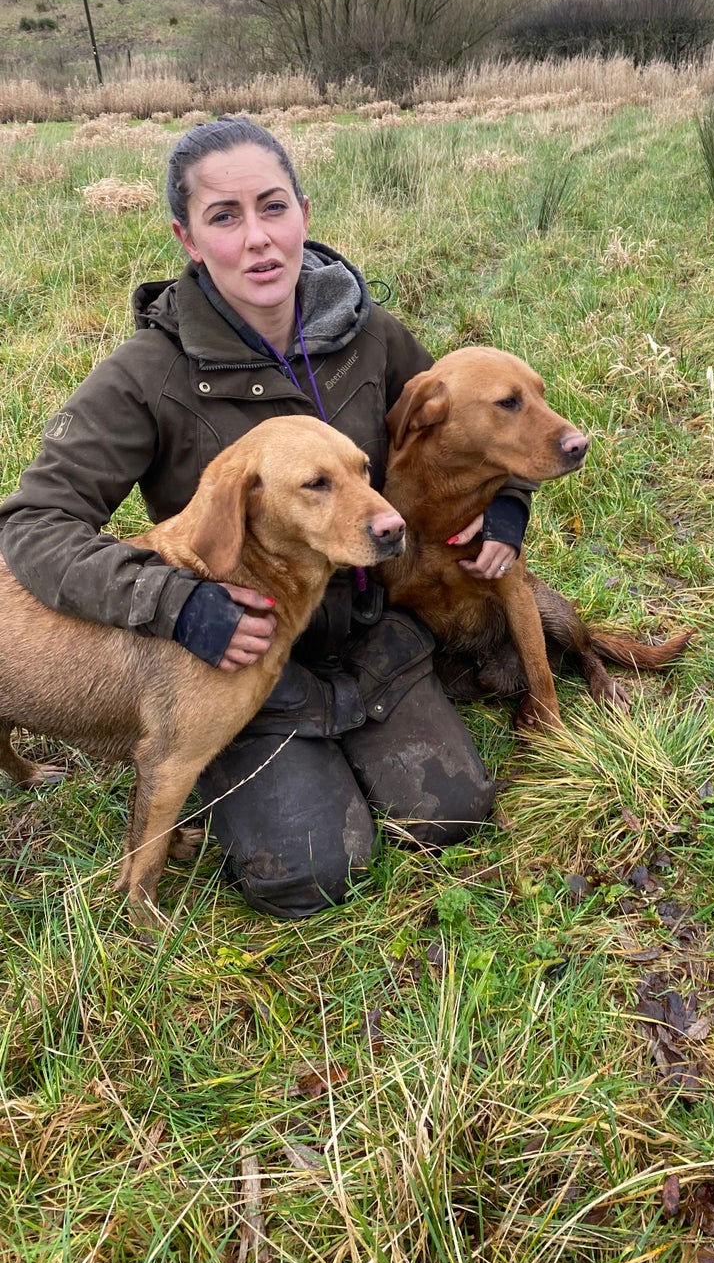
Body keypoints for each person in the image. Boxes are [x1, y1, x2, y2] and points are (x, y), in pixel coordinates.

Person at [0, 116, 532, 918]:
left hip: (366, 632)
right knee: (311, 875)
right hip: (233, 651)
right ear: (187, 237)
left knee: (451, 813)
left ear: (304, 214)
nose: (258, 239)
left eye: (273, 206)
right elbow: (33, 526)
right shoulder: (146, 376)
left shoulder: (371, 336)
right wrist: (176, 606)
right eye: (224, 216)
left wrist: (508, 511)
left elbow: (475, 429)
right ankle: (226, 766)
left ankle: (367, 723)